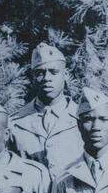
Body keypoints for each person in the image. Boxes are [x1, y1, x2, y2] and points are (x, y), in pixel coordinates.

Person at [8, 42, 84, 181]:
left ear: (65, 74)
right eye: (40, 73)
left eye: (54, 72)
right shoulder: (15, 122)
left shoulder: (83, 118)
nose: (47, 78)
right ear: (32, 77)